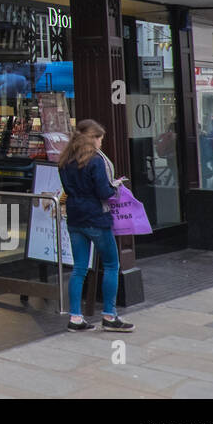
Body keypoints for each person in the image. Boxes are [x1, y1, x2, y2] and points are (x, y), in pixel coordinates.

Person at [58, 119, 134, 332]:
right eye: (100, 138)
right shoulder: (95, 161)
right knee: (111, 265)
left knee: (79, 268)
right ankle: (109, 316)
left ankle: (75, 318)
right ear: (92, 138)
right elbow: (104, 192)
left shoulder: (65, 160)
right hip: (96, 218)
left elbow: (68, 189)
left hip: (74, 218)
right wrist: (115, 187)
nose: (102, 143)